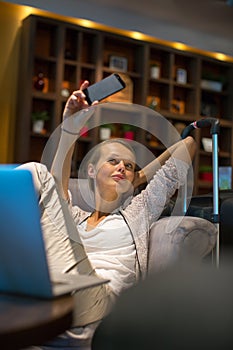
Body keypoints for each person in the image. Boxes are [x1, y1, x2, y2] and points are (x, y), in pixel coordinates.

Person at [21, 80, 196, 348]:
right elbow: (56, 186)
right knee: (37, 174)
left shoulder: (136, 213)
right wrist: (69, 125)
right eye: (113, 161)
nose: (122, 168)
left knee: (38, 173)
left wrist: (139, 178)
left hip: (95, 305)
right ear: (91, 170)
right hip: (54, 298)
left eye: (128, 165)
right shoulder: (76, 217)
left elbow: (187, 146)